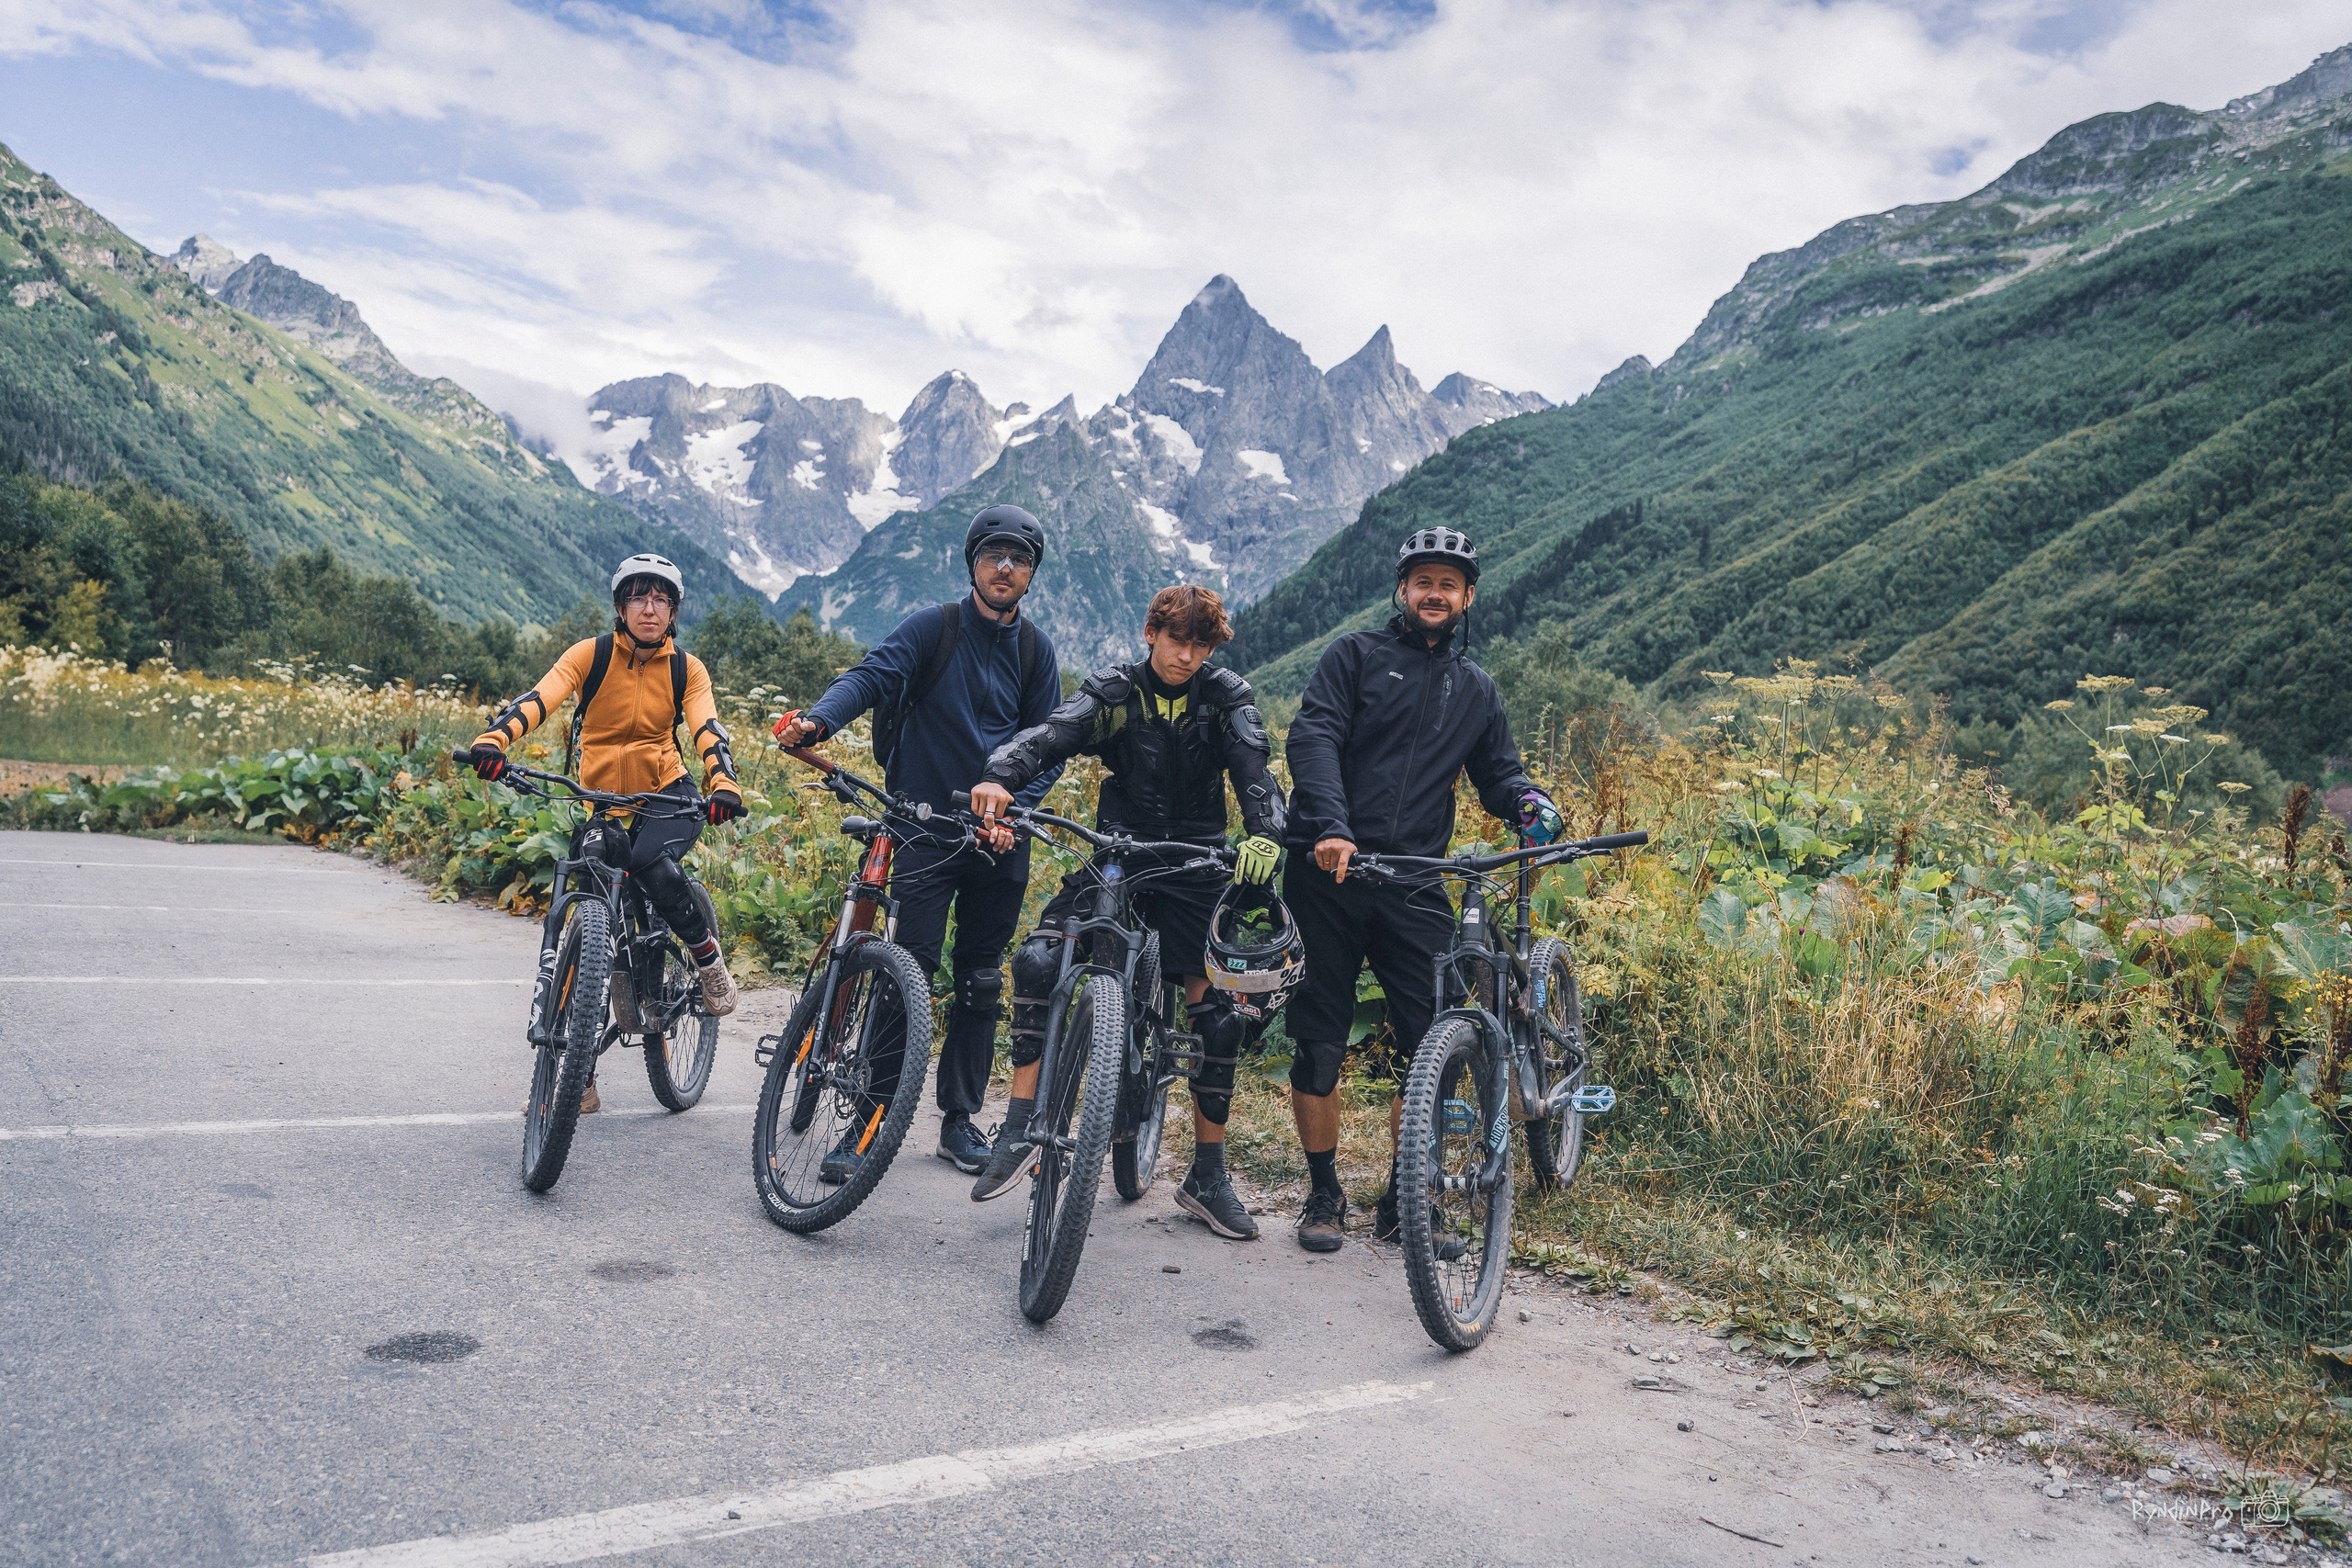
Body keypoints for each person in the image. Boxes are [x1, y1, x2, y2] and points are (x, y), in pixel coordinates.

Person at [965, 584, 1286, 1238]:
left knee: (1218, 1017)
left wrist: (1265, 834)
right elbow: (1053, 735)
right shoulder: (1116, 692)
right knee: (1037, 959)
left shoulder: (1226, 699)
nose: (1188, 656)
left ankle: (1207, 1174)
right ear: (1151, 633)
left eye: (1201, 645)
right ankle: (1021, 1123)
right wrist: (1001, 773)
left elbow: (1257, 777)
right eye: (1177, 641)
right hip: (1116, 851)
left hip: (1196, 858)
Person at [1280, 526, 1563, 1253]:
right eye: (1423, 581)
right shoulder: (1354, 656)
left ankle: (1407, 1199)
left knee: (1431, 1042)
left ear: (1467, 598)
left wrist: (1527, 799)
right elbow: (1312, 739)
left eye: (1449, 584)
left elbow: (1497, 773)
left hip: (1413, 883)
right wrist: (1332, 826)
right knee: (1317, 1043)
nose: (1435, 594)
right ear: (1402, 591)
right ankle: (1323, 1191)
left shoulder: (1476, 688)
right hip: (1330, 875)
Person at [774, 506, 1062, 1181]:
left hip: (999, 838)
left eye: (1018, 560)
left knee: (982, 978)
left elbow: (1050, 744)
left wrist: (1014, 807)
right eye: (994, 555)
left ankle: (958, 1121)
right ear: (974, 563)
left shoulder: (1035, 651)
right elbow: (870, 677)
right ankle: (868, 1121)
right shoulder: (935, 627)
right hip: (925, 827)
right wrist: (819, 720)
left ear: (1030, 575)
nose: (1005, 567)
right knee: (905, 973)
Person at [469, 553, 746, 1114]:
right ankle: (580, 1078)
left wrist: (723, 783)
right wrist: (495, 741)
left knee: (654, 867)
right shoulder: (590, 656)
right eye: (639, 598)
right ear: (621, 608)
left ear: (673, 612)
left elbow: (707, 728)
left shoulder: (685, 669)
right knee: (588, 916)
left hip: (668, 795)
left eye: (661, 599)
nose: (650, 608)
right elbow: (538, 700)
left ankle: (708, 959)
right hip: (604, 803)